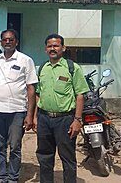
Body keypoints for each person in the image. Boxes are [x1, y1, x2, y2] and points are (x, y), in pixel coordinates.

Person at [0, 29, 38, 183]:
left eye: (11, 39)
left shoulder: (25, 60)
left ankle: (13, 178)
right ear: (1, 42)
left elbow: (31, 89)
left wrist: (29, 115)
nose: (8, 42)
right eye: (5, 40)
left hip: (17, 112)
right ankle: (2, 177)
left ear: (16, 42)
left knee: (15, 147)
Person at [35, 34, 88, 183]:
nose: (53, 49)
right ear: (46, 49)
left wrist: (77, 120)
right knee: (44, 157)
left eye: (56, 46)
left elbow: (80, 95)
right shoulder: (42, 68)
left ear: (63, 48)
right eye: (49, 46)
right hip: (44, 118)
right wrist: (35, 117)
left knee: (67, 157)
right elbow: (38, 94)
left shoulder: (72, 68)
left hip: (65, 120)